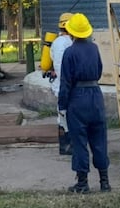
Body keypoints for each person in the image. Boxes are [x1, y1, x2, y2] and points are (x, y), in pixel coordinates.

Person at [58, 13, 111, 193]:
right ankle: (105, 181)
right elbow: (99, 71)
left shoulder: (69, 52)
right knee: (99, 139)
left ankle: (82, 183)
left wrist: (62, 106)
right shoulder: (95, 48)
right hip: (95, 96)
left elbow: (65, 82)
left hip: (77, 98)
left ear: (71, 32)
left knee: (79, 141)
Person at [49, 12, 74, 155]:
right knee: (64, 115)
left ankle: (67, 144)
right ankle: (66, 146)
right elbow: (59, 66)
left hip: (61, 84)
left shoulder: (57, 42)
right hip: (64, 85)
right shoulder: (65, 43)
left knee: (63, 114)